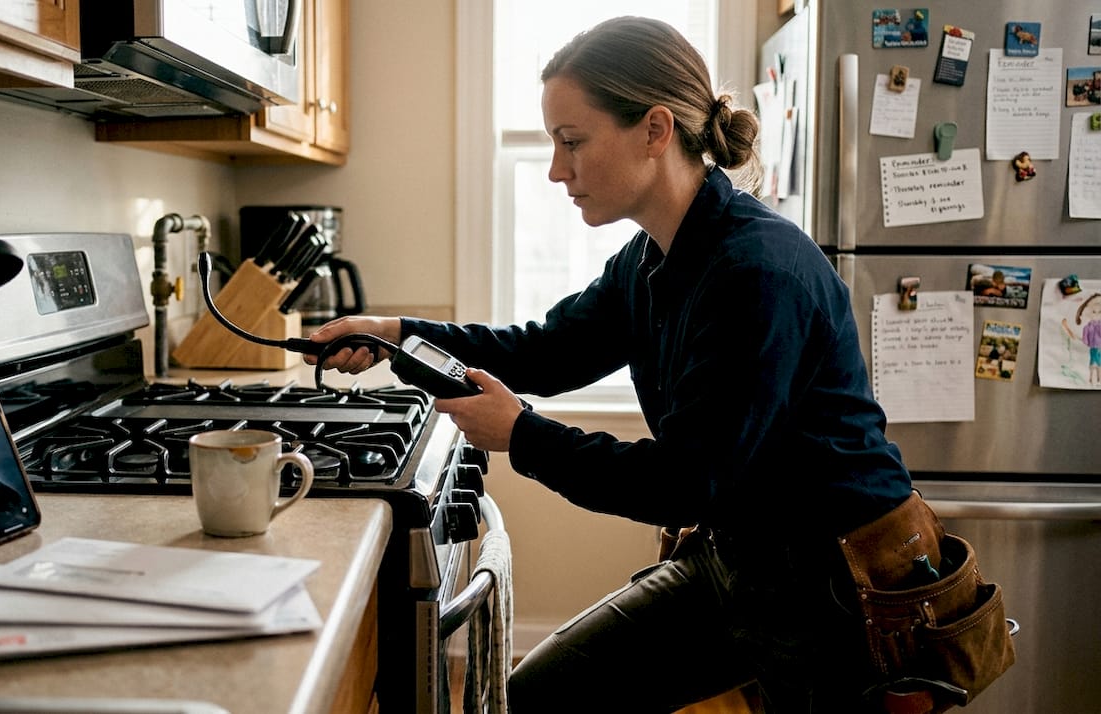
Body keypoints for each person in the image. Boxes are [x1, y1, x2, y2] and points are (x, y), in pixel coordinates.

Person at [306, 16, 915, 712]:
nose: (556, 169)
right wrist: (395, 335)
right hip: (738, 559)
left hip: (837, 585)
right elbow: (544, 349)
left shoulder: (756, 271)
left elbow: (687, 480)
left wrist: (523, 434)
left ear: (655, 131)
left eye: (572, 142)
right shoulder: (650, 258)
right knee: (540, 698)